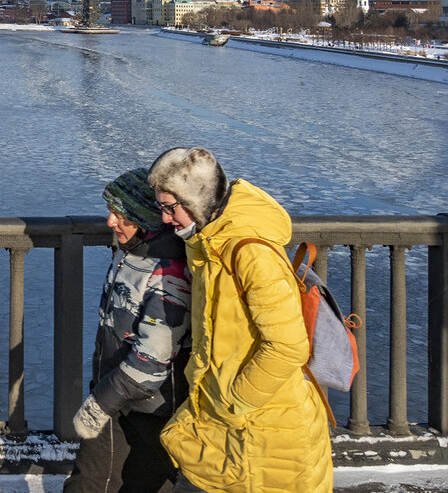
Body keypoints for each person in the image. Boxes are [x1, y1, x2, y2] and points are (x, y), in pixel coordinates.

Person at [147, 147, 332, 492]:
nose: (164, 219)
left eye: (170, 207)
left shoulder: (250, 253)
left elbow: (288, 346)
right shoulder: (209, 244)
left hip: (261, 432)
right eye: (161, 207)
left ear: (197, 201)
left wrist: (234, 401)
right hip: (230, 427)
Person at [64, 168, 191, 493]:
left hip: (145, 411)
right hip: (117, 399)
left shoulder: (168, 271)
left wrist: (99, 404)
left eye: (121, 215)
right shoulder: (133, 254)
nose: (110, 222)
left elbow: (152, 359)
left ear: (146, 219)